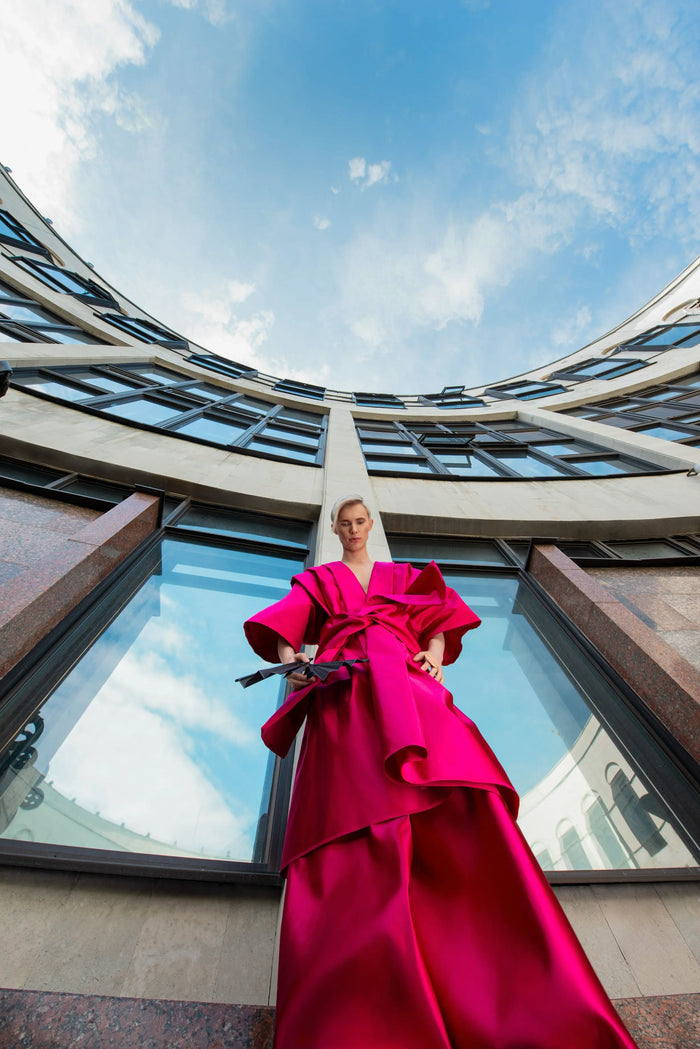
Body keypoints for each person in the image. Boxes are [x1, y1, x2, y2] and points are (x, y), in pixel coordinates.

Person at [244, 495, 639, 1049]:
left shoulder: (402, 574)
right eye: (346, 523)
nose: (354, 530)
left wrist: (431, 652)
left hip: (408, 682)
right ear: (334, 528)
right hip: (345, 688)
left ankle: (497, 969)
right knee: (351, 803)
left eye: (362, 522)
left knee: (453, 785)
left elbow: (439, 618)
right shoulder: (319, 579)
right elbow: (286, 626)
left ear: (370, 526)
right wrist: (294, 663)